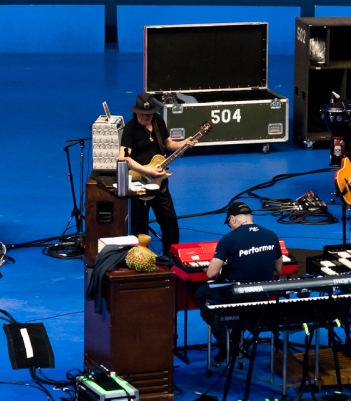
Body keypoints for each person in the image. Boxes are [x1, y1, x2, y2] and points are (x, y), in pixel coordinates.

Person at [195, 202, 283, 362]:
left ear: (233, 219)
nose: (230, 227)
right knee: (239, 301)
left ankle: (226, 345)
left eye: (229, 224)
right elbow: (278, 270)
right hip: (262, 295)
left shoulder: (228, 239)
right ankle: (237, 342)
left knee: (202, 292)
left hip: (238, 296)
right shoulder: (272, 235)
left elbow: (211, 274)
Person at [119, 92, 197, 255]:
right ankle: (141, 259)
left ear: (153, 113)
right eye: (141, 114)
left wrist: (183, 143)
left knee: (170, 222)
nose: (144, 117)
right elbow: (124, 158)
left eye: (148, 115)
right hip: (140, 183)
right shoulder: (130, 129)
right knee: (139, 227)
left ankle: (170, 257)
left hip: (160, 182)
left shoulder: (158, 122)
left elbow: (168, 144)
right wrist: (146, 170)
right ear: (136, 112)